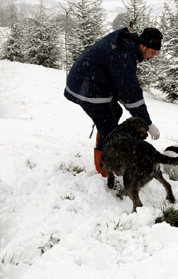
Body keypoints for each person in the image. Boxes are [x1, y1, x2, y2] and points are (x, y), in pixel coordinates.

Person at [64, 27, 163, 178]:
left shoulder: (127, 46)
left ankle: (103, 146)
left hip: (91, 81)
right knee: (109, 127)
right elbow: (131, 93)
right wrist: (148, 124)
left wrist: (124, 98)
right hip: (85, 85)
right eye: (153, 52)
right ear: (143, 46)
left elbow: (119, 81)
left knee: (116, 111)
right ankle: (104, 170)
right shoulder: (125, 54)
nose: (152, 57)